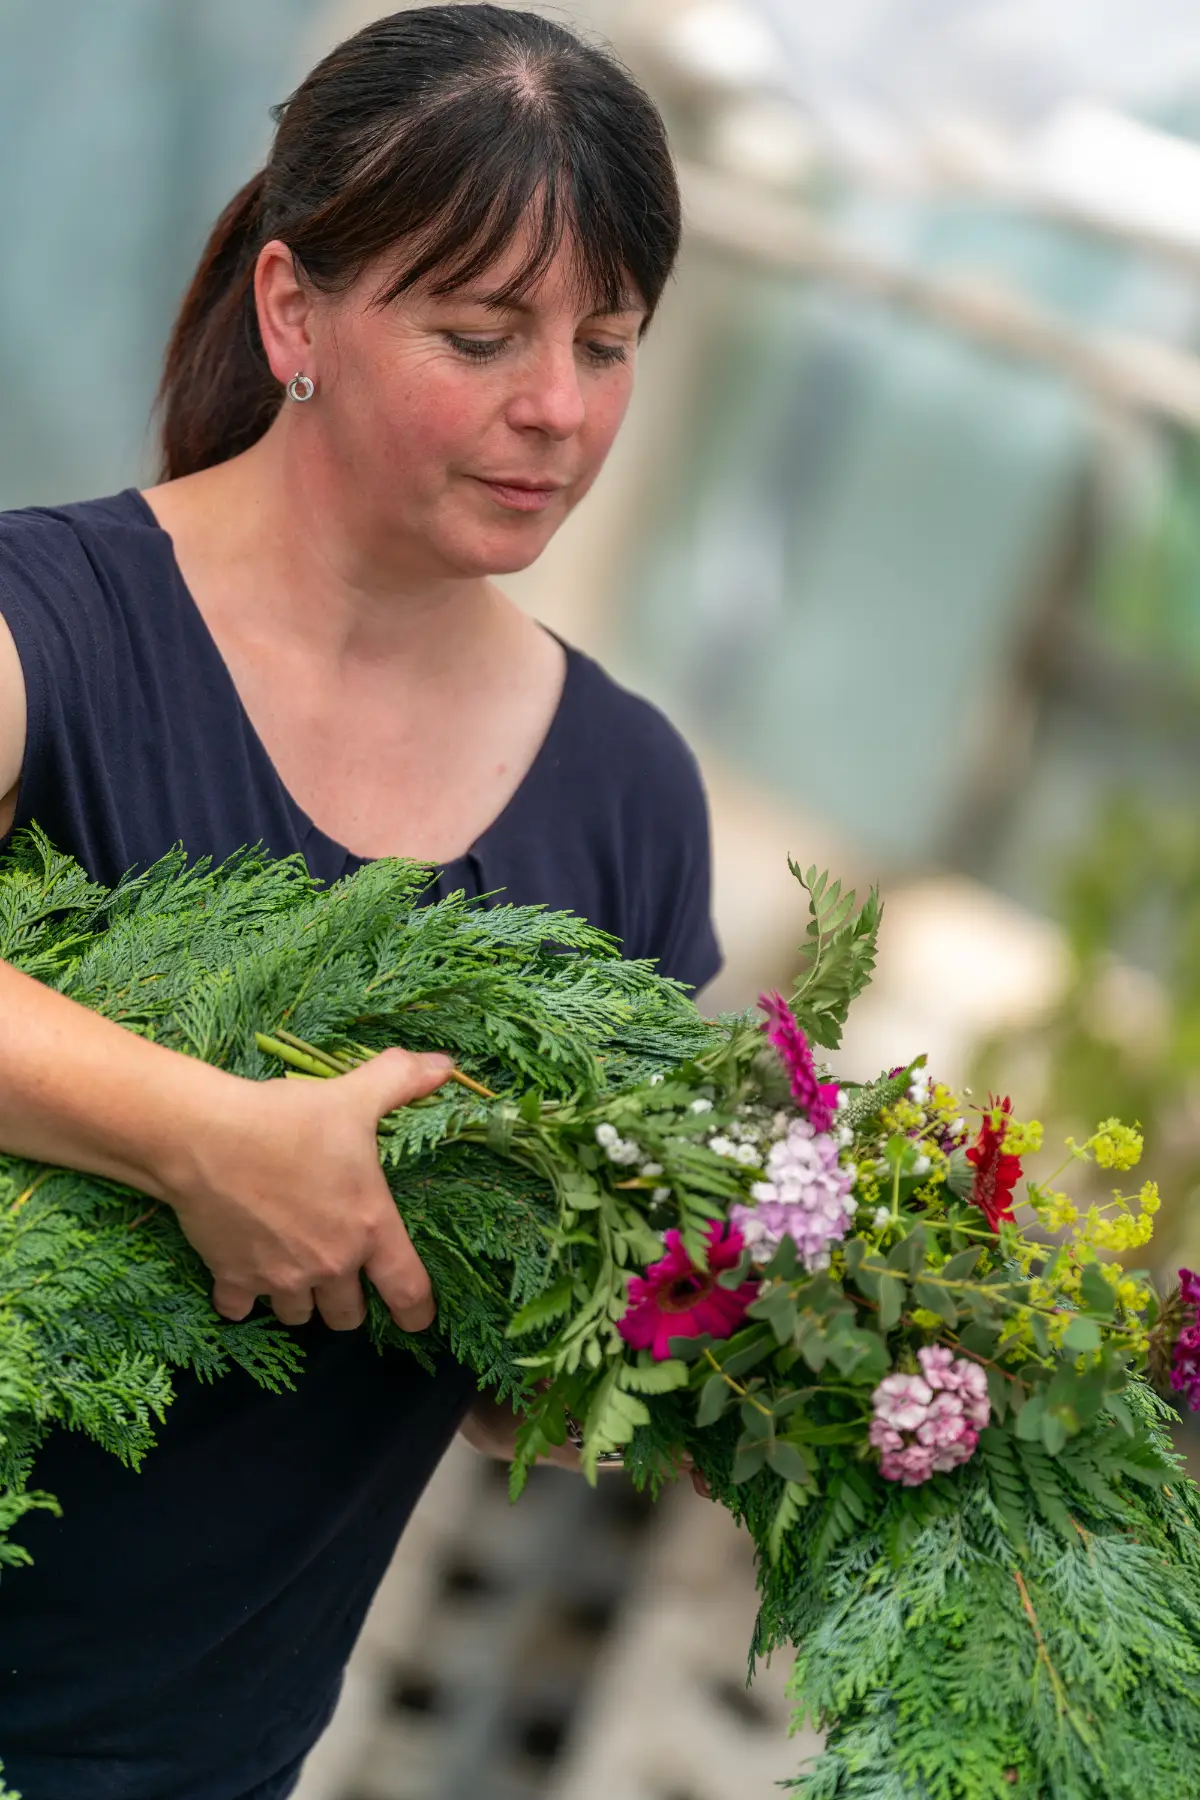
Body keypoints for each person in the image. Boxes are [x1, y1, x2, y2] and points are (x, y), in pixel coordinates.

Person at [0, 8, 719, 1798]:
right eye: (482, 336)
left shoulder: (627, 801)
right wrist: (205, 1138)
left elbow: (506, 1380)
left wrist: (749, 1370)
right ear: (292, 310)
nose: (557, 406)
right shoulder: (48, 629)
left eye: (607, 343)